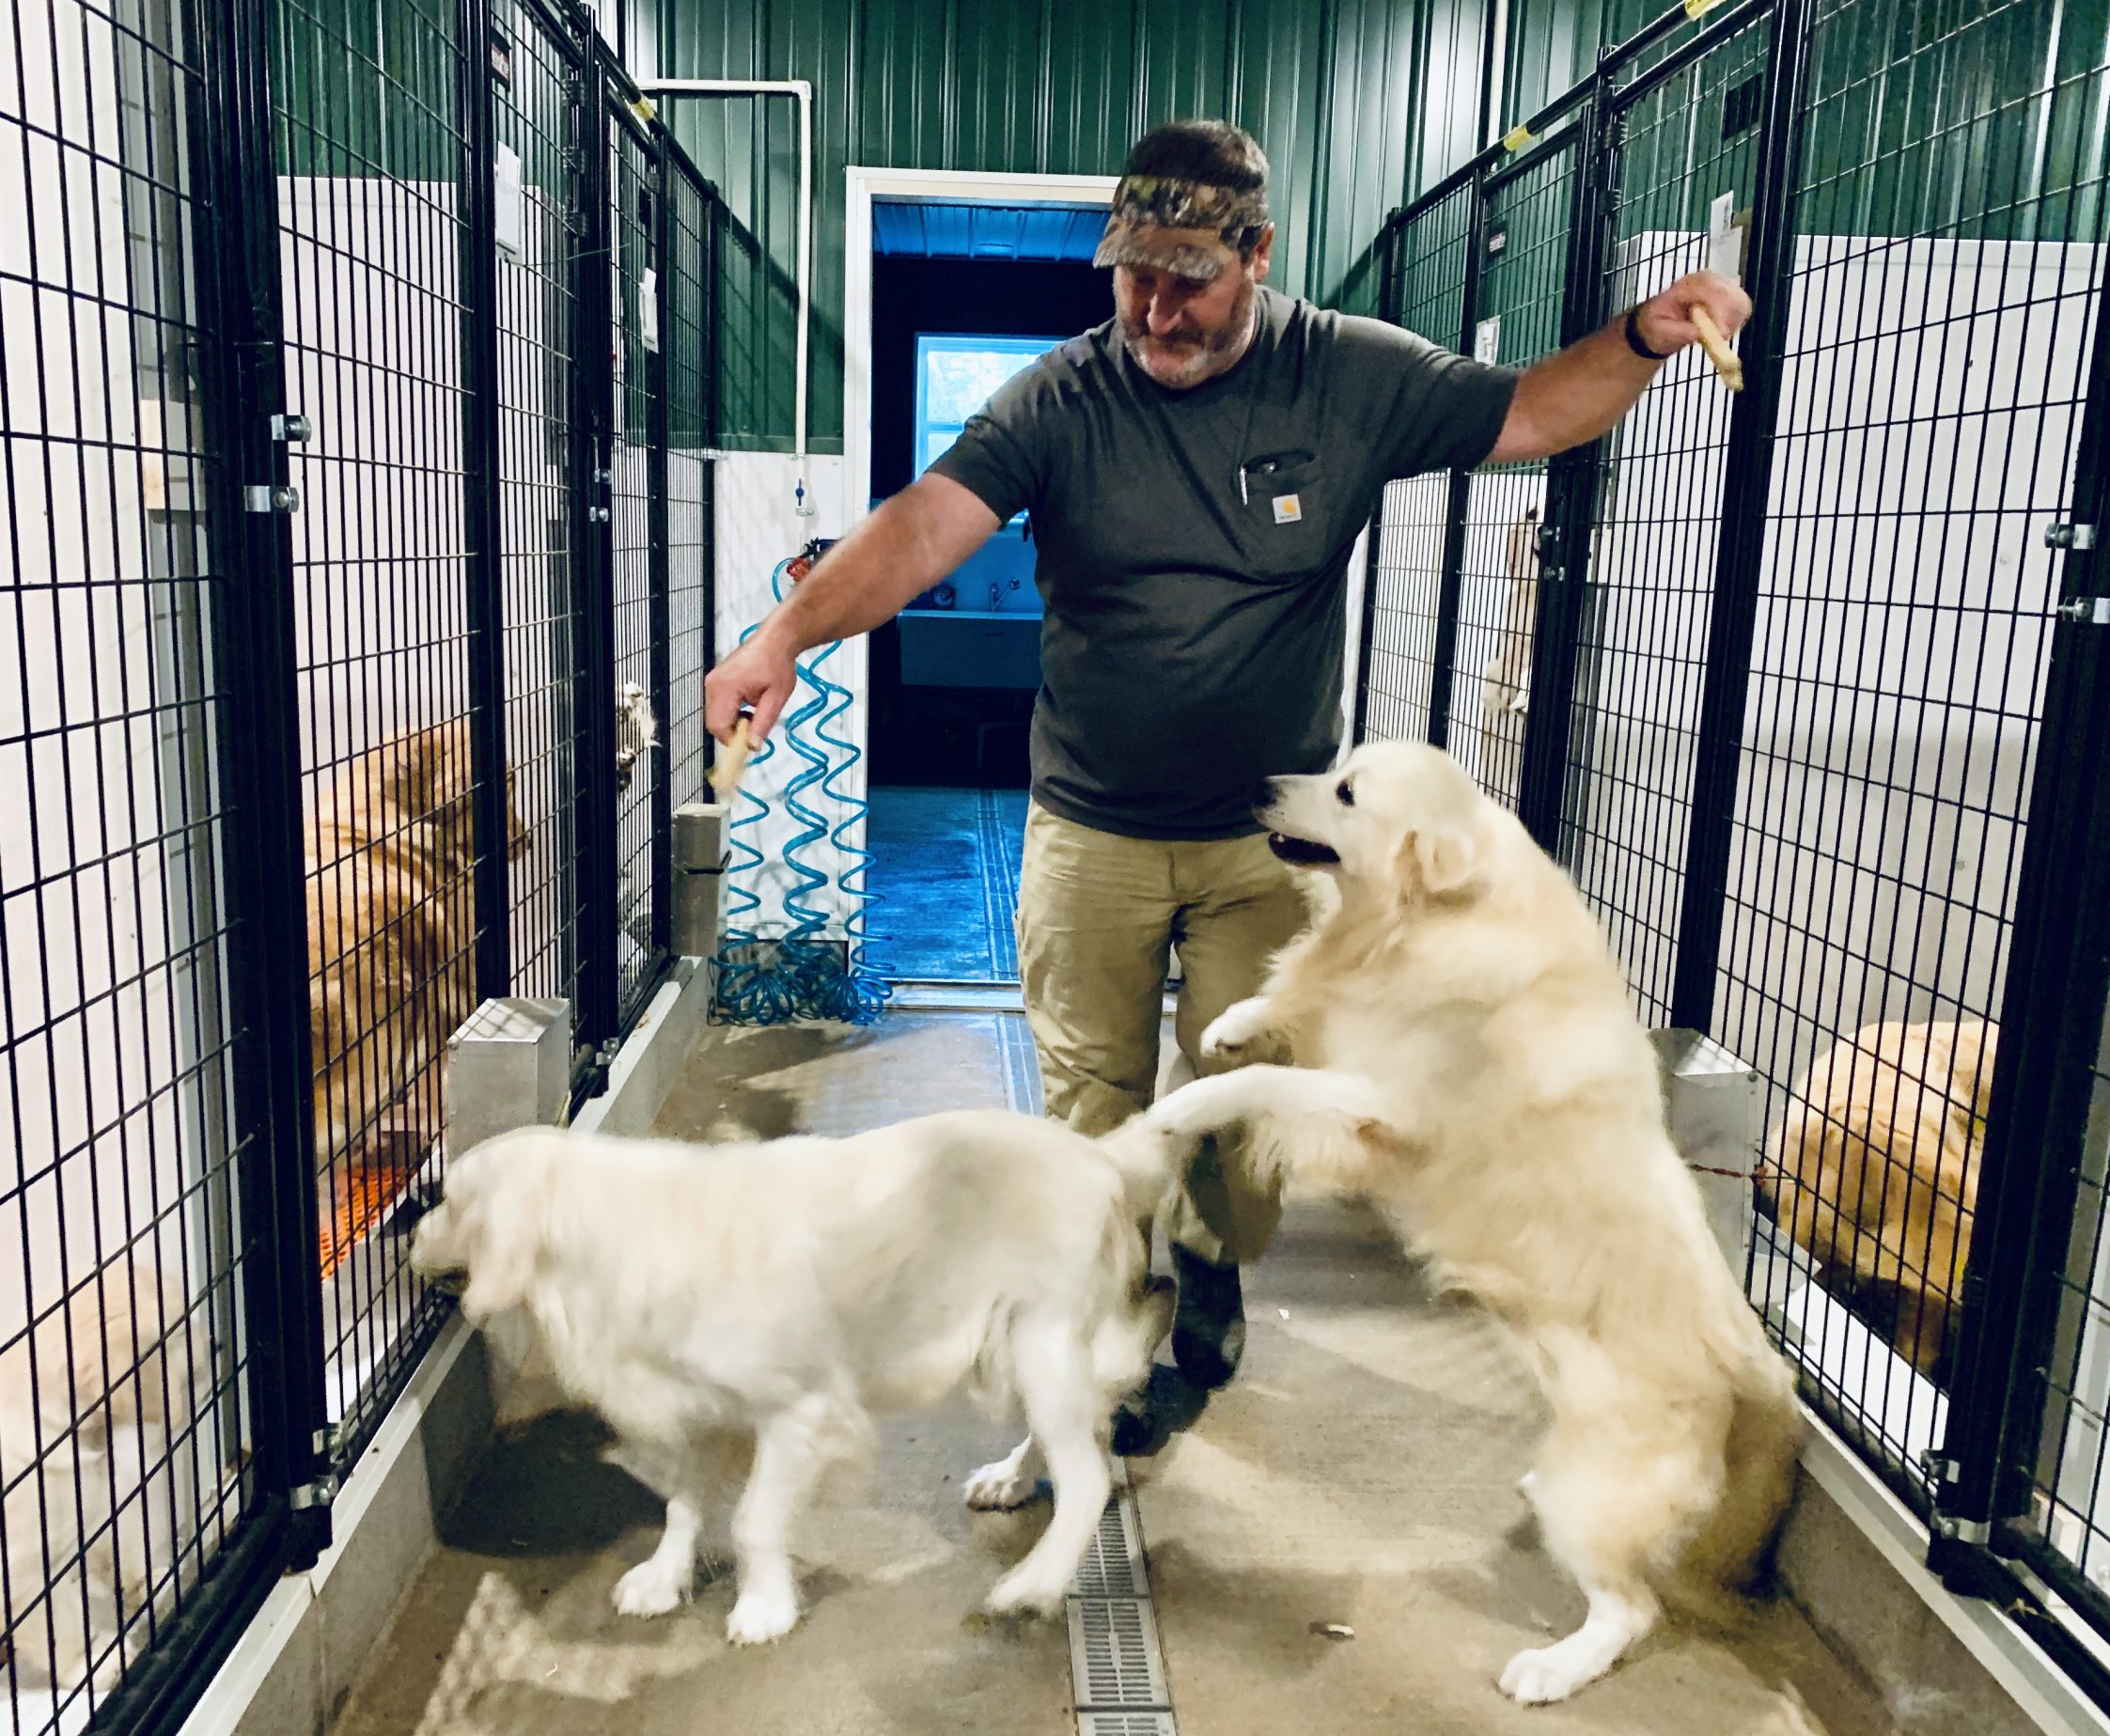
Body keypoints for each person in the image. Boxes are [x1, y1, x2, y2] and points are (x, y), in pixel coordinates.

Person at [704, 118, 1752, 1455]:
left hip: (1265, 842)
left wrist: (1647, 336)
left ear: (1258, 256)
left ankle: (1210, 1275)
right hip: (1091, 829)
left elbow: (1533, 412)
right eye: (1132, 272)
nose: (1153, 306)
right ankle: (1113, 1325)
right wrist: (782, 637)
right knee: (1093, 1107)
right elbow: (921, 527)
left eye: (1188, 275)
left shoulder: (1347, 377)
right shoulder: (1064, 400)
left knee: (1243, 1117)